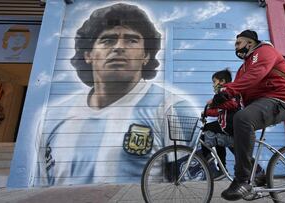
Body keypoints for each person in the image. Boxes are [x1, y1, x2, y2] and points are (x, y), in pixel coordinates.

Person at [38, 3, 198, 186]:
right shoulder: (52, 117)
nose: (119, 47)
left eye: (131, 40)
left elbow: (193, 187)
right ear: (88, 54)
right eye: (108, 40)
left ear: (146, 55)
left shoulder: (172, 109)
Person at [211, 30, 285, 201]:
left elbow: (256, 73)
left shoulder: (264, 51)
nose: (236, 47)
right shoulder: (243, 67)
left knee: (242, 118)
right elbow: (238, 93)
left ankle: (242, 180)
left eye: (238, 43)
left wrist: (228, 90)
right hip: (262, 103)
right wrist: (215, 103)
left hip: (280, 100)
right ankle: (258, 175)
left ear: (249, 43)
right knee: (231, 126)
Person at [200, 69, 239, 180]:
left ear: (222, 81)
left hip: (228, 125)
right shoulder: (225, 91)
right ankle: (221, 169)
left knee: (205, 131)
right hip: (227, 125)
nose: (213, 84)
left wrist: (214, 102)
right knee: (219, 142)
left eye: (214, 81)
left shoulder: (226, 90)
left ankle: (210, 163)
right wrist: (207, 112)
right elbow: (220, 111)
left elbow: (232, 105)